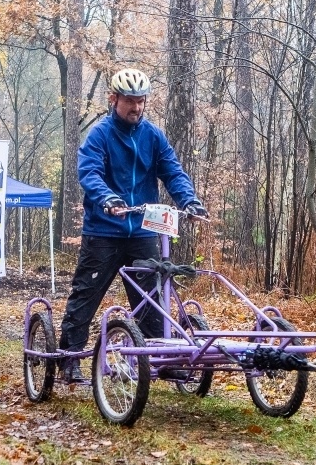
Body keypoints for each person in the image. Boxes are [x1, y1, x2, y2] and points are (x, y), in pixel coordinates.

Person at [57, 68, 208, 382]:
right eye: (129, 100)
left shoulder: (153, 135)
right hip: (104, 231)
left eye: (140, 101)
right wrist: (108, 199)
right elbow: (90, 174)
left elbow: (173, 172)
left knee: (152, 299)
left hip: (142, 231)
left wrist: (188, 200)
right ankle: (69, 359)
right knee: (86, 295)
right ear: (114, 99)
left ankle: (160, 358)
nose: (136, 107)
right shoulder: (100, 135)